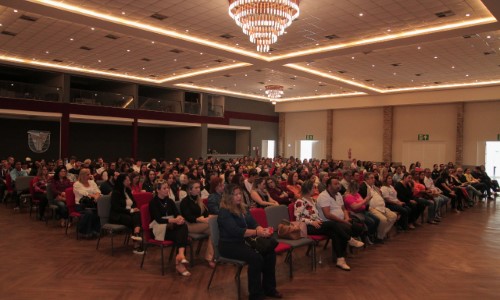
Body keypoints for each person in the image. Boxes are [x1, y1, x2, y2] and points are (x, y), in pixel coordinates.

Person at [218, 184, 281, 300]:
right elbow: (236, 231)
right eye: (235, 195)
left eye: (239, 194)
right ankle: (256, 295)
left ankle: (269, 288)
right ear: (228, 197)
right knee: (256, 258)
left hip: (245, 241)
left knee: (269, 251)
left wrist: (260, 228)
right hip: (229, 245)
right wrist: (257, 233)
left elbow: (253, 222)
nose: (239, 197)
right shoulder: (224, 212)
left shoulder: (242, 207)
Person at [149, 179, 191, 276]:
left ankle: (180, 256)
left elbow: (176, 213)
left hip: (172, 227)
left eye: (167, 188)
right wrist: (175, 220)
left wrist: (180, 218)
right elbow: (159, 219)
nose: (167, 190)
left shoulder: (170, 201)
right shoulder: (153, 202)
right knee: (181, 233)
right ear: (157, 190)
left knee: (182, 227)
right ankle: (180, 261)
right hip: (159, 229)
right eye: (164, 188)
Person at [180, 180, 214, 267]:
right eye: (196, 188)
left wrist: (207, 217)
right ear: (190, 190)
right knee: (214, 227)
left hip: (200, 225)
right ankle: (211, 257)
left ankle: (210, 257)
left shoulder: (199, 200)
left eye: (199, 187)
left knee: (214, 230)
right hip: (188, 225)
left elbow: (206, 213)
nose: (199, 189)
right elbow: (188, 217)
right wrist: (200, 219)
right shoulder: (185, 201)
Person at [109, 174, 143, 254]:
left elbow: (134, 202)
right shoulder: (116, 193)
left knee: (137, 213)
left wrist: (134, 209)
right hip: (117, 215)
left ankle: (136, 234)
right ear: (122, 181)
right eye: (127, 180)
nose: (129, 181)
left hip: (128, 214)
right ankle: (136, 243)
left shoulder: (127, 190)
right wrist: (131, 210)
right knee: (133, 219)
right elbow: (116, 208)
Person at [359, 172, 397, 243]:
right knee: (383, 220)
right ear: (366, 179)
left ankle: (381, 233)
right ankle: (379, 237)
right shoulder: (363, 186)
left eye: (373, 178)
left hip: (382, 207)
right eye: (371, 178)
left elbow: (380, 195)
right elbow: (362, 199)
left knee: (393, 216)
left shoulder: (374, 187)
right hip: (372, 208)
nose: (373, 179)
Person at [73, 168, 101, 237]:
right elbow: (84, 193)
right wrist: (94, 196)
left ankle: (96, 230)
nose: (90, 175)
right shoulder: (77, 184)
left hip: (92, 203)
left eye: (89, 174)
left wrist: (96, 196)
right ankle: (84, 231)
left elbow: (97, 191)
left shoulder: (92, 182)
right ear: (82, 175)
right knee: (89, 213)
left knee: (99, 210)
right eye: (88, 174)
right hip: (81, 205)